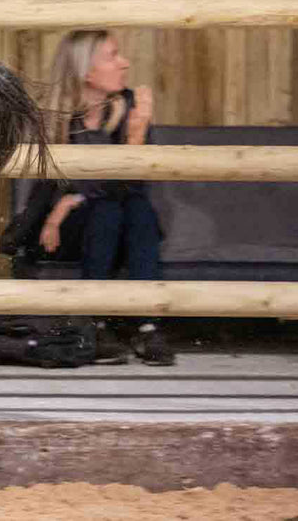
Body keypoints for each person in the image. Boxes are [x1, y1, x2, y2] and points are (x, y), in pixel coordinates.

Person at [32, 30, 176, 366]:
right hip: (65, 231)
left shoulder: (130, 110)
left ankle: (139, 325)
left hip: (118, 219)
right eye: (113, 56)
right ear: (86, 71)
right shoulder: (59, 119)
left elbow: (132, 186)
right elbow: (58, 184)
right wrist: (70, 202)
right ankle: (102, 324)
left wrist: (137, 136)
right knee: (112, 207)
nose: (124, 63)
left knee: (131, 207)